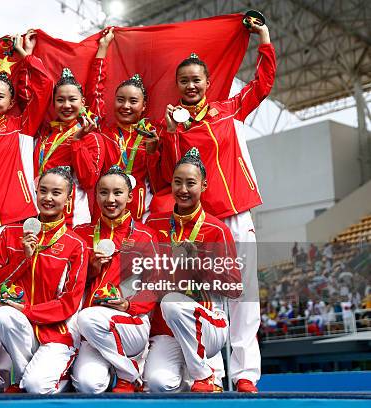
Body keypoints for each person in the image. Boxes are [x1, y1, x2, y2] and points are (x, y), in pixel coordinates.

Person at [155, 16, 275, 393]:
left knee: (245, 296)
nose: (191, 85)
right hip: (199, 223)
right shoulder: (171, 125)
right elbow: (168, 174)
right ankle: (209, 373)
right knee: (204, 296)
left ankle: (244, 374)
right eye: (184, 80)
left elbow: (263, 84)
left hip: (236, 214)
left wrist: (264, 39)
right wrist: (173, 134)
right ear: (178, 86)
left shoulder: (229, 110)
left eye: (197, 79)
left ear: (208, 83)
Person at [143, 148, 241, 393]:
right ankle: (194, 376)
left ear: (204, 185)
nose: (183, 189)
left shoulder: (216, 230)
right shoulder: (154, 224)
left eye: (191, 183)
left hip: (209, 324)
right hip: (167, 329)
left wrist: (200, 266)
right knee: (158, 383)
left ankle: (203, 374)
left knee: (173, 303)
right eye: (178, 182)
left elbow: (234, 287)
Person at [0, 167, 88, 394]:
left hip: (57, 332)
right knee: (3, 315)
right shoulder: (11, 233)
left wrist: (28, 310)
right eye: (43, 191)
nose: (48, 198)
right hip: (23, 329)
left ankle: (47, 380)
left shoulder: (76, 245)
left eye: (56, 192)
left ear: (68, 198)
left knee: (36, 386)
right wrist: (22, 258)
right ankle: (28, 378)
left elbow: (69, 303)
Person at [71, 166, 159, 393]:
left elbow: (154, 288)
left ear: (130, 196)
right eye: (103, 192)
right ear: (95, 195)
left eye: (118, 193)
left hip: (131, 322)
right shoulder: (82, 234)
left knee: (88, 317)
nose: (110, 199)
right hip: (91, 329)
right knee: (88, 385)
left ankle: (128, 375)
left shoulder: (145, 236)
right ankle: (124, 369)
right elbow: (68, 283)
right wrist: (91, 269)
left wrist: (129, 304)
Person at [0, 30, 53, 230]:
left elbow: (45, 84)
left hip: (18, 215)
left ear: (11, 102)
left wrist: (25, 55)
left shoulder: (21, 126)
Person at [86, 28, 161, 222]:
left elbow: (159, 181)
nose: (126, 106)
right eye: (120, 100)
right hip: (103, 211)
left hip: (138, 215)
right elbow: (95, 92)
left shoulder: (150, 136)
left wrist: (153, 153)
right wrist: (102, 49)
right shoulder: (101, 130)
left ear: (144, 106)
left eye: (133, 101)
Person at [34, 68, 104, 226]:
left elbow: (89, 180)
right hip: (38, 208)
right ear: (53, 103)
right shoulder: (45, 134)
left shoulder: (92, 137)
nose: (66, 105)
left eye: (72, 99)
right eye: (60, 100)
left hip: (72, 216)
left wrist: (77, 141)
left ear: (83, 102)